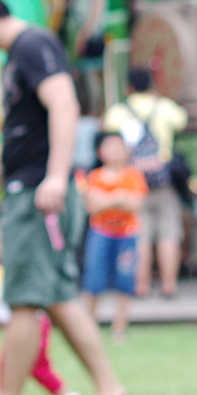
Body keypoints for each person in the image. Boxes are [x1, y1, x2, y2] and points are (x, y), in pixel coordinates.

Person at [0, 0, 142, 395]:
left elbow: (65, 104)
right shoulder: (18, 56)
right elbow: (17, 145)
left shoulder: (32, 43)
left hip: (40, 197)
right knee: (60, 297)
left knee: (24, 297)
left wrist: (58, 177)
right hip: (33, 191)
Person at [0, 218, 81, 395]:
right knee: (9, 363)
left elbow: (0, 256)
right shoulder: (13, 248)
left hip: (32, 323)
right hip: (16, 324)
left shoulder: (24, 247)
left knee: (37, 366)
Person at [103, 68, 189, 298]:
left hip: (132, 182)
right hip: (163, 181)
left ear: (128, 86)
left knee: (140, 235)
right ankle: (169, 286)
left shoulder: (119, 111)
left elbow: (107, 130)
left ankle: (141, 286)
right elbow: (183, 120)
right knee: (169, 234)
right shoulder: (164, 107)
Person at [80, 132, 147, 343]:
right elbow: (92, 206)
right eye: (110, 147)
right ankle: (87, 326)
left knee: (125, 281)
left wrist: (106, 200)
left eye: (119, 147)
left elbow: (135, 205)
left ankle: (120, 327)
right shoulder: (95, 176)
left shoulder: (134, 175)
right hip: (100, 232)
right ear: (101, 152)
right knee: (93, 280)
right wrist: (119, 198)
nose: (116, 152)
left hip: (127, 234)